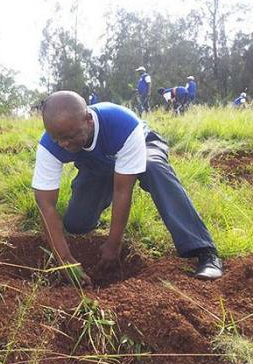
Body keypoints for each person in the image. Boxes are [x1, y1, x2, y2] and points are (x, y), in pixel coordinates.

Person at [32, 90, 223, 285]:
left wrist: (114, 244)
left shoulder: (122, 124)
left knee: (153, 167)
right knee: (76, 224)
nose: (63, 143)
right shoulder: (50, 145)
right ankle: (93, 217)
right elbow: (45, 204)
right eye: (57, 138)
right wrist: (64, 259)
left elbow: (122, 190)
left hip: (144, 146)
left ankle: (204, 250)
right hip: (99, 163)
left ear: (88, 120)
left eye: (70, 136)